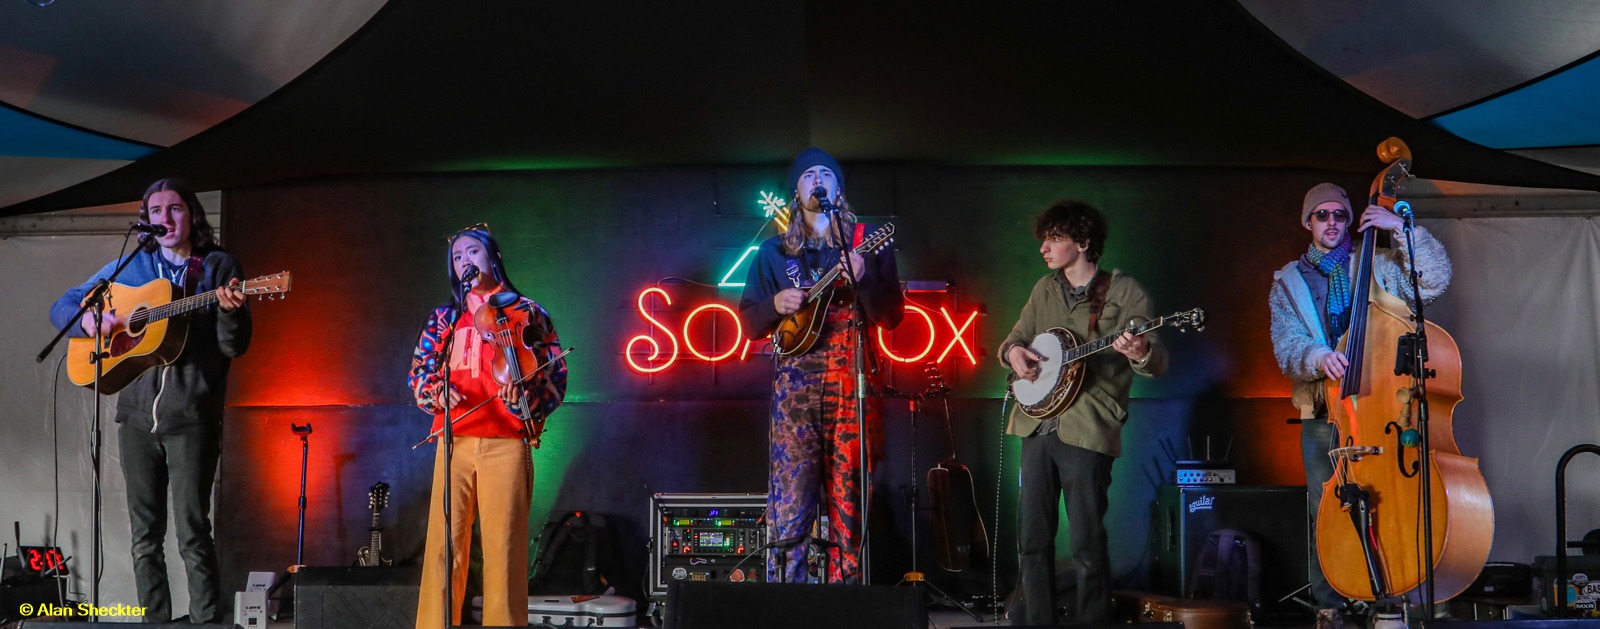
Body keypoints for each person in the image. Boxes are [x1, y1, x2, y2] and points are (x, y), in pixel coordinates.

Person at [49, 178, 251, 623]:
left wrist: (231, 312)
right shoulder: (133, 268)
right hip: (136, 420)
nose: (165, 218)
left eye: (174, 209)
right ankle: (154, 620)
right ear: (147, 220)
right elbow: (62, 305)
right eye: (156, 211)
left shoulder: (216, 267)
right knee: (144, 538)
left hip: (190, 418)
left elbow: (233, 347)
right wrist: (93, 325)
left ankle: (205, 620)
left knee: (193, 533)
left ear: (191, 215)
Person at [1268, 182, 1451, 629]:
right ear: (1307, 222)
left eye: (1340, 215)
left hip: (1381, 408)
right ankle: (1329, 605)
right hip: (1321, 411)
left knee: (1389, 503)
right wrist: (1317, 357)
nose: (1332, 223)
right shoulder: (1287, 282)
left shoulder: (1379, 263)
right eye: (1322, 215)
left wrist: (1402, 231)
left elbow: (1434, 281)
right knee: (1324, 509)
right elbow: (1286, 345)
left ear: (1350, 221)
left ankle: (1388, 599)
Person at [738, 147, 903, 584]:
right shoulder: (773, 252)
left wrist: (864, 276)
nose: (817, 180)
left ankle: (844, 605)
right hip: (795, 394)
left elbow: (891, 317)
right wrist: (774, 303)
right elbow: (750, 319)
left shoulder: (863, 245)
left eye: (825, 175)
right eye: (808, 175)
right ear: (796, 189)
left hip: (853, 388)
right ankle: (786, 605)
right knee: (790, 507)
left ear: (838, 188)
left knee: (850, 507)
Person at [999, 199, 1167, 624]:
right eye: (1045, 239)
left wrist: (1140, 349)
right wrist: (1016, 352)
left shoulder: (1125, 291)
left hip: (1087, 428)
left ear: (1084, 242)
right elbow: (1013, 340)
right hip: (1036, 425)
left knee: (1087, 542)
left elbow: (1157, 361)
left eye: (1055, 238)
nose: (1044, 248)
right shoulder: (1044, 289)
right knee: (1032, 540)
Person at [406, 224, 567, 629]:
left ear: (493, 258)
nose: (465, 261)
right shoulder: (445, 318)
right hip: (454, 441)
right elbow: (419, 373)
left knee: (504, 549)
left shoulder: (527, 312)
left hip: (506, 442)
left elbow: (555, 374)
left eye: (472, 252)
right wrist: (435, 392)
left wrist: (526, 397)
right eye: (457, 256)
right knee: (444, 549)